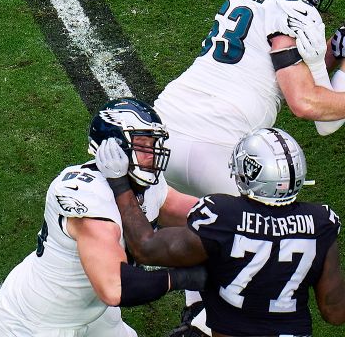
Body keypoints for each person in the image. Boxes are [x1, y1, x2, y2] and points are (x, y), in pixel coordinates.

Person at [151, 0, 345, 333]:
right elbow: (314, 108)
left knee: (199, 240)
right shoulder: (297, 11)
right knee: (251, 259)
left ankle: (194, 318)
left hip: (164, 131)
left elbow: (286, 67)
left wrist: (334, 54)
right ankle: (204, 325)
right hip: (219, 147)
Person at [94, 127, 345, 336]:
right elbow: (335, 312)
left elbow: (145, 247)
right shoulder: (320, 222)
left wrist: (119, 183)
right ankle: (198, 319)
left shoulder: (223, 215)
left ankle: (197, 322)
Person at [0, 98, 206, 336]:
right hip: (36, 324)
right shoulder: (86, 194)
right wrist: (184, 278)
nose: (153, 154)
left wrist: (242, 220)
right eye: (143, 144)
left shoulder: (149, 185)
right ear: (114, 147)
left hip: (93, 311)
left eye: (154, 143)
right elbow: (115, 287)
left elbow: (203, 217)